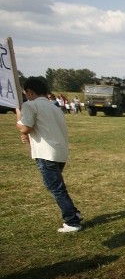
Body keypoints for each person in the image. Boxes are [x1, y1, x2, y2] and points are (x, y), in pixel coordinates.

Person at [15, 76, 83, 233]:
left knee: (56, 188)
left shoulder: (30, 105)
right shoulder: (54, 106)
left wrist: (18, 115)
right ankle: (74, 213)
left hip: (46, 153)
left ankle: (72, 221)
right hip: (59, 152)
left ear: (30, 92)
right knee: (56, 186)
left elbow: (25, 127)